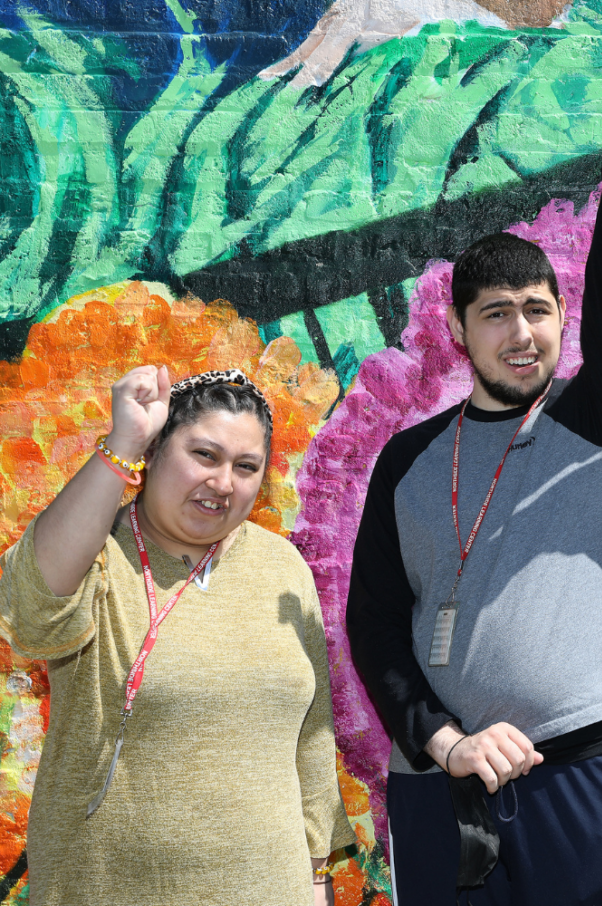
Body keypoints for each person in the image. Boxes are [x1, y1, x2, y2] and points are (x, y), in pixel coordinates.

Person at [343, 7, 602, 903]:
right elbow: (375, 624)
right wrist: (443, 738)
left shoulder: (596, 419)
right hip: (442, 777)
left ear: (560, 321)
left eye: (538, 309)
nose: (522, 331)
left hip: (579, 764)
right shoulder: (408, 458)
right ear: (458, 329)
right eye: (496, 313)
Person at [0, 366, 355, 906]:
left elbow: (312, 734)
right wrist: (122, 441)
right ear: (154, 452)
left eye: (246, 466)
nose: (222, 483)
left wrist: (314, 875)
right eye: (204, 455)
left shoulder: (282, 565)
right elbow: (32, 614)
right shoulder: (94, 552)